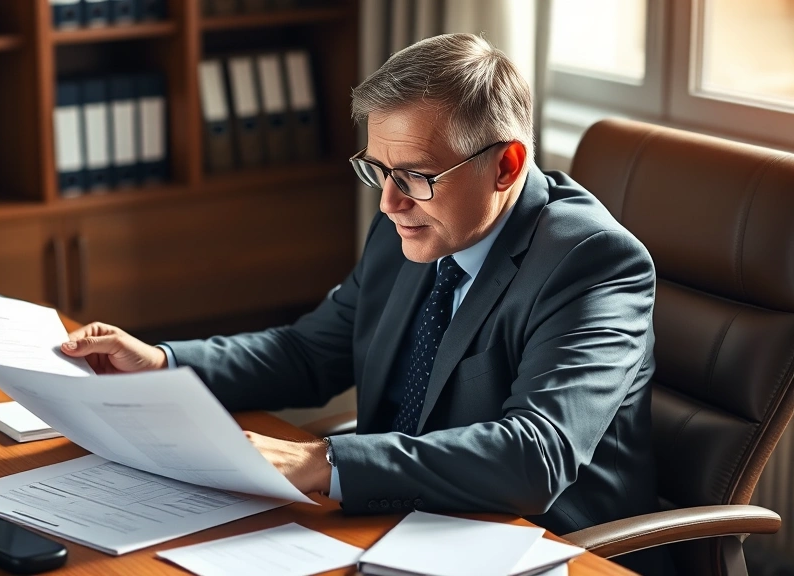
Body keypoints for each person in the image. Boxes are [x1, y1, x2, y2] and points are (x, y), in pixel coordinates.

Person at [61, 34, 671, 574]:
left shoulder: (590, 262)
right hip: (398, 530)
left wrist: (323, 461)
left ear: (506, 165)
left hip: (541, 548)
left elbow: (536, 454)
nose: (389, 203)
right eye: (378, 170)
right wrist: (163, 363)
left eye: (415, 175)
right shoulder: (412, 221)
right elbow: (310, 351)